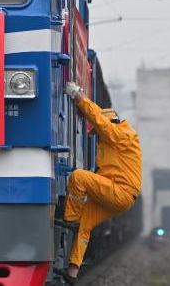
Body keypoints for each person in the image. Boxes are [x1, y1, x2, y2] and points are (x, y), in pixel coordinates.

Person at [57, 81, 142, 283]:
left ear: (110, 123)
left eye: (97, 131)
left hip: (120, 192)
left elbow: (100, 121)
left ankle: (70, 220)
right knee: (85, 226)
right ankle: (72, 272)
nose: (97, 135)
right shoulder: (115, 141)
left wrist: (79, 97)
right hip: (120, 196)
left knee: (78, 176)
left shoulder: (121, 135)